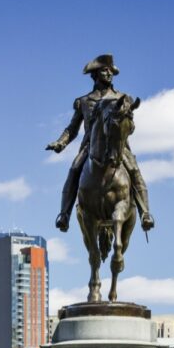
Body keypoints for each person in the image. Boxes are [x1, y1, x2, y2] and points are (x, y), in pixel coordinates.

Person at [47, 54, 154, 233]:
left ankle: (145, 213)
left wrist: (126, 124)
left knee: (135, 170)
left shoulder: (122, 98)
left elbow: (130, 126)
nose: (109, 73)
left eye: (111, 71)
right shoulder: (84, 101)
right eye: (105, 70)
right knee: (74, 171)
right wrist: (60, 143)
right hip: (91, 148)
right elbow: (72, 129)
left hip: (118, 147)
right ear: (95, 74)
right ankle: (64, 215)